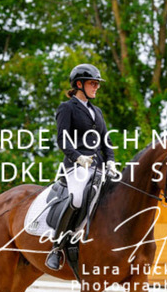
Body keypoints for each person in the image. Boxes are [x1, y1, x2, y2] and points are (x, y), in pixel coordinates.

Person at [45, 63, 119, 271]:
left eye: (97, 84)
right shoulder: (67, 108)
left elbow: (106, 140)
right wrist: (78, 158)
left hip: (99, 167)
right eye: (93, 83)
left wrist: (110, 160)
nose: (97, 87)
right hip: (76, 167)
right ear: (79, 84)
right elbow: (63, 139)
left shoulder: (97, 111)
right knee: (77, 198)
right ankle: (57, 247)